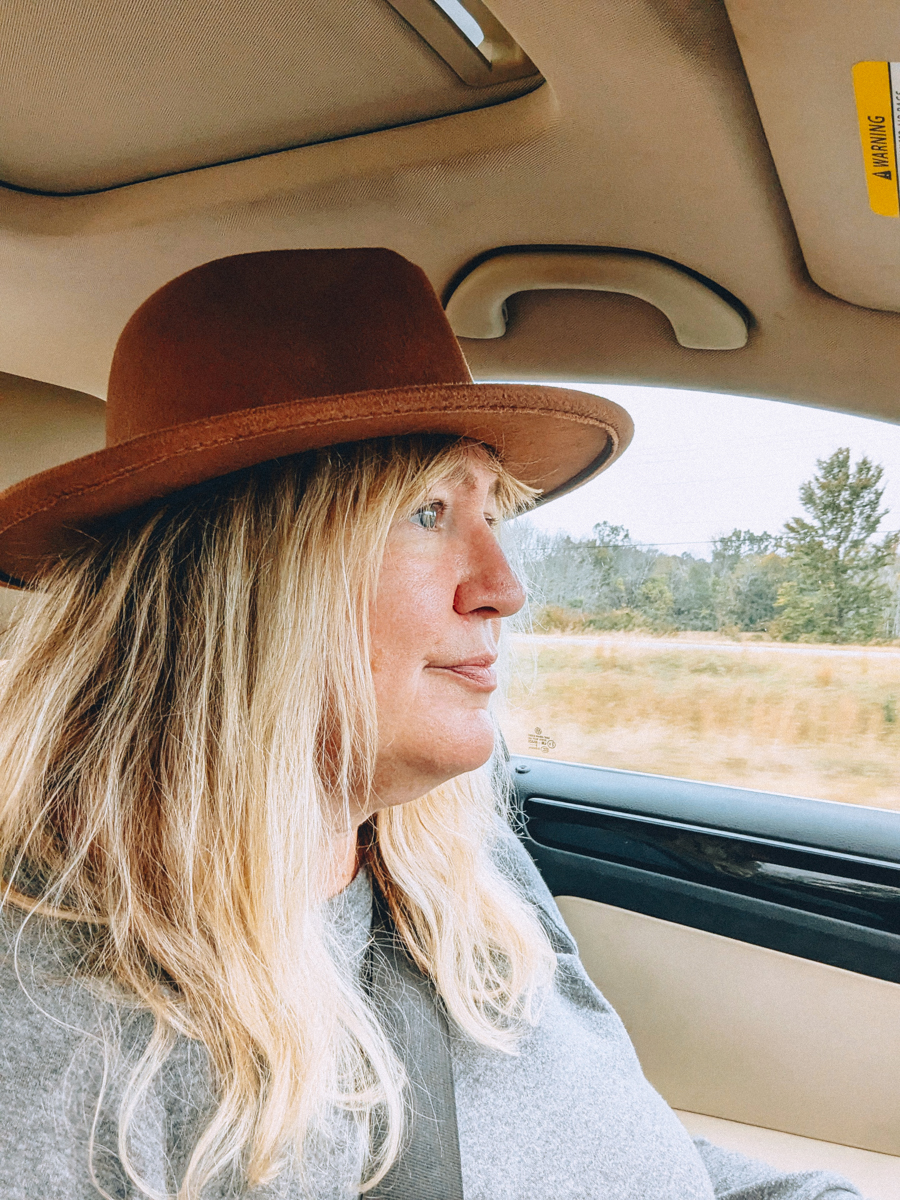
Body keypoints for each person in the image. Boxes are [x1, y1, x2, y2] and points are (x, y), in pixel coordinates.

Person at [0, 249, 866, 1200]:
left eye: (492, 513)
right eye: (425, 511)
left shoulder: (459, 865)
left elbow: (622, 1152)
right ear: (236, 579)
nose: (504, 589)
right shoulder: (52, 1010)